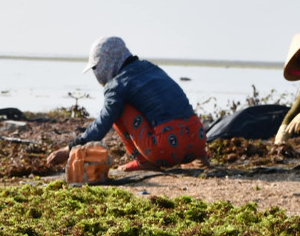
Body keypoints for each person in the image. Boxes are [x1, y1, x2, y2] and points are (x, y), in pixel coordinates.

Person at [47, 36, 207, 172]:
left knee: (117, 109)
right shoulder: (151, 68)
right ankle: (200, 159)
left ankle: (144, 161)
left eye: (96, 67)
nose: (96, 72)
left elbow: (103, 123)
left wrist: (70, 149)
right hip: (198, 139)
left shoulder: (116, 85)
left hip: (166, 149)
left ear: (107, 62)